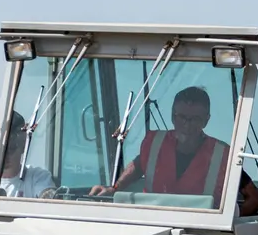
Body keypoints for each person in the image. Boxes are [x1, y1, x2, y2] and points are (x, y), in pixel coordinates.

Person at [95, 85, 232, 200]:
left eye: (195, 119)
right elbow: (138, 166)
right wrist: (114, 189)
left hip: (201, 227)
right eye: (182, 117)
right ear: (173, 116)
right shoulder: (154, 143)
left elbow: (252, 197)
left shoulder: (222, 154)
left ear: (206, 120)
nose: (187, 124)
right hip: (152, 221)